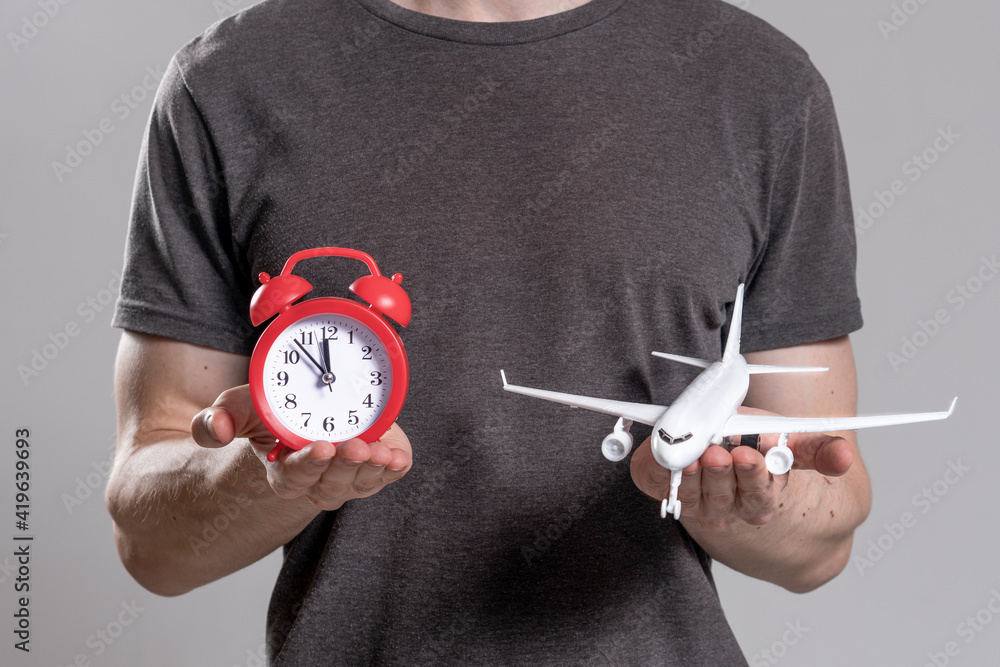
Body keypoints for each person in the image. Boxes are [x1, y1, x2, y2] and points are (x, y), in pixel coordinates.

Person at [106, 0, 871, 663]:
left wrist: (747, 503)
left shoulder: (763, 86)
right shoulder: (229, 84)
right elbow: (153, 545)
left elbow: (825, 539)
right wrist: (269, 479)